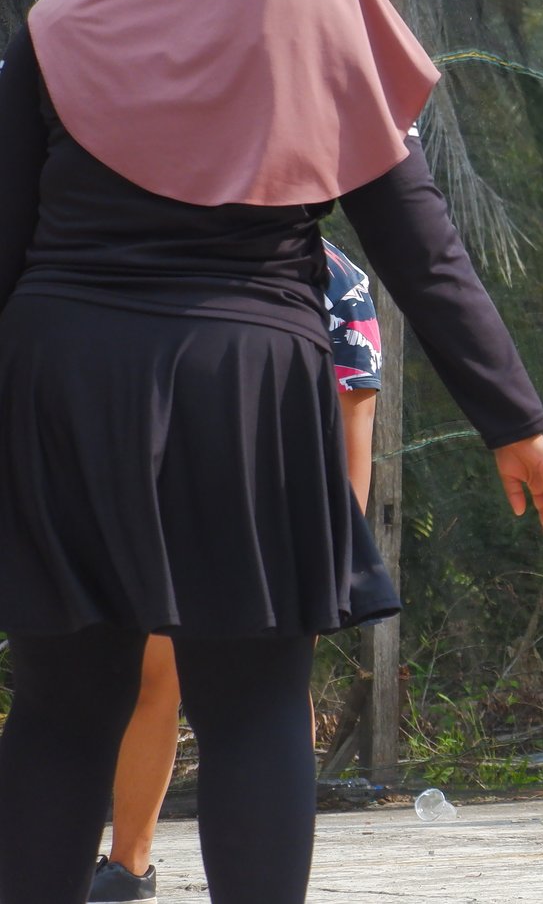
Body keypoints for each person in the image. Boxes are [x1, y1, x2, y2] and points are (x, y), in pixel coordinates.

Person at [0, 0, 543, 904]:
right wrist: (514, 418)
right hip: (247, 395)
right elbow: (421, 247)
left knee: (63, 704)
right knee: (257, 703)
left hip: (66, 385)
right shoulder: (326, 45)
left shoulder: (62, 22)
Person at [88, 240, 386, 903]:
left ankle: (269, 868)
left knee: (270, 689)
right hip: (174, 494)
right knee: (154, 669)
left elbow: (353, 422)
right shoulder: (163, 241)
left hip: (278, 510)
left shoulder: (338, 279)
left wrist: (332, 560)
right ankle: (127, 864)